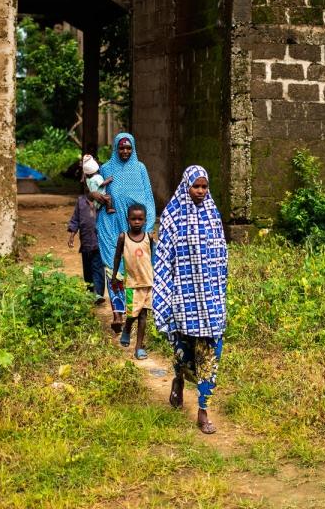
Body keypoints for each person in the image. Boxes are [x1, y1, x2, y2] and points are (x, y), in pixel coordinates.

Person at [153, 165, 228, 434]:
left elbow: (222, 258)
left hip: (210, 301)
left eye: (204, 186)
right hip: (183, 300)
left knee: (210, 353)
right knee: (182, 351)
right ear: (186, 185)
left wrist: (219, 294)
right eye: (196, 186)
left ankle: (203, 409)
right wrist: (164, 294)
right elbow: (163, 259)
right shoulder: (173, 216)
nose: (200, 191)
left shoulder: (213, 215)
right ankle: (179, 380)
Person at [96, 133, 156, 334]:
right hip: (110, 225)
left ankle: (133, 309)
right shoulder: (105, 169)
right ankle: (117, 313)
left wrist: (147, 228)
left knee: (132, 269)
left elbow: (148, 198)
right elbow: (95, 196)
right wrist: (98, 196)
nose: (125, 151)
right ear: (115, 148)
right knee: (111, 267)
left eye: (128, 148)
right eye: (121, 148)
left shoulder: (140, 169)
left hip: (134, 228)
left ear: (133, 148)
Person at [111, 204, 155, 360]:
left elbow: (153, 257)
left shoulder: (149, 238)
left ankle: (138, 348)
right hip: (131, 283)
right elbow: (117, 257)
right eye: (133, 219)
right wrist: (115, 275)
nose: (137, 222)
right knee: (132, 314)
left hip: (147, 282)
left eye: (140, 219)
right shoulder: (123, 237)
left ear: (145, 220)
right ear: (128, 219)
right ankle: (127, 329)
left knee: (143, 315)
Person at [66, 183, 104, 303]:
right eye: (89, 186)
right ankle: (90, 292)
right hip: (86, 242)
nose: (91, 189)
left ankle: (98, 293)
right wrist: (72, 235)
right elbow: (75, 219)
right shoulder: (81, 201)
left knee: (97, 268)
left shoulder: (101, 203)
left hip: (99, 243)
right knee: (87, 270)